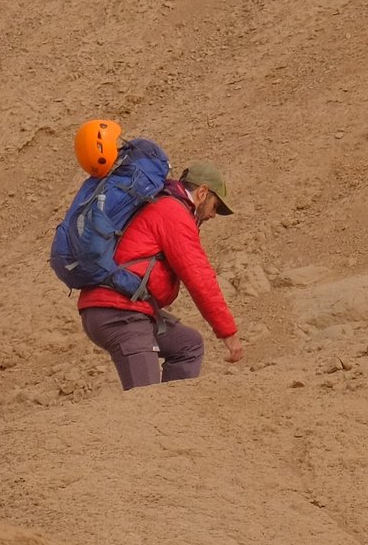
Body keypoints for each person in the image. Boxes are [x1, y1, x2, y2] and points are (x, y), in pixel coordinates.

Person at [78, 162, 244, 389]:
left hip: (128, 309)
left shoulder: (163, 206)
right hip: (119, 313)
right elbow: (199, 277)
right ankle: (155, 421)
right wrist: (228, 333)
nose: (214, 215)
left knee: (188, 345)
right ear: (202, 193)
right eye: (215, 207)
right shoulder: (173, 212)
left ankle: (172, 417)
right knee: (146, 401)